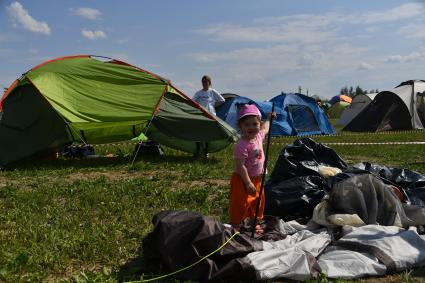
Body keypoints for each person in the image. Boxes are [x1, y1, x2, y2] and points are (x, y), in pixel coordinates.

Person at [229, 104, 274, 232]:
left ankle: (255, 222)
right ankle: (236, 224)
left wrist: (270, 119)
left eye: (254, 124)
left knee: (258, 201)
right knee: (240, 203)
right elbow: (240, 165)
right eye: (247, 125)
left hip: (258, 178)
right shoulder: (241, 145)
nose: (251, 127)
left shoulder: (259, 136)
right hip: (243, 179)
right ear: (240, 127)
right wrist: (247, 183)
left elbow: (265, 128)